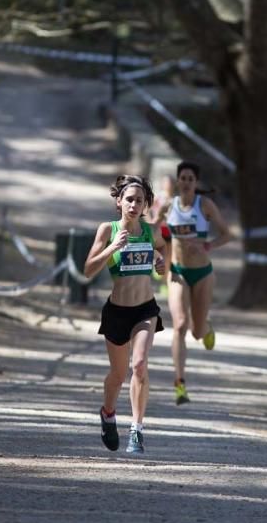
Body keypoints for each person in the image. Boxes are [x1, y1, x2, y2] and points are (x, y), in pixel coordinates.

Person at [85, 174, 168, 454]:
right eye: (129, 199)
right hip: (117, 312)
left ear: (146, 204)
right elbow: (87, 270)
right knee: (118, 374)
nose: (134, 205)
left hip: (145, 309)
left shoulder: (150, 229)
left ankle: (137, 429)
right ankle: (108, 413)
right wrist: (112, 247)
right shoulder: (107, 230)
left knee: (140, 364)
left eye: (140, 200)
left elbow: (163, 249)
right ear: (119, 201)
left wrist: (161, 262)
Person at [165, 161, 232, 405]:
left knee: (195, 332)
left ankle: (206, 328)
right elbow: (154, 233)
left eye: (190, 179)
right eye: (182, 178)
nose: (185, 182)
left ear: (196, 183)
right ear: (177, 181)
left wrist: (208, 245)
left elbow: (227, 234)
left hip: (203, 273)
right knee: (180, 324)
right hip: (178, 273)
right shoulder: (167, 207)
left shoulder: (205, 206)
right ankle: (180, 384)